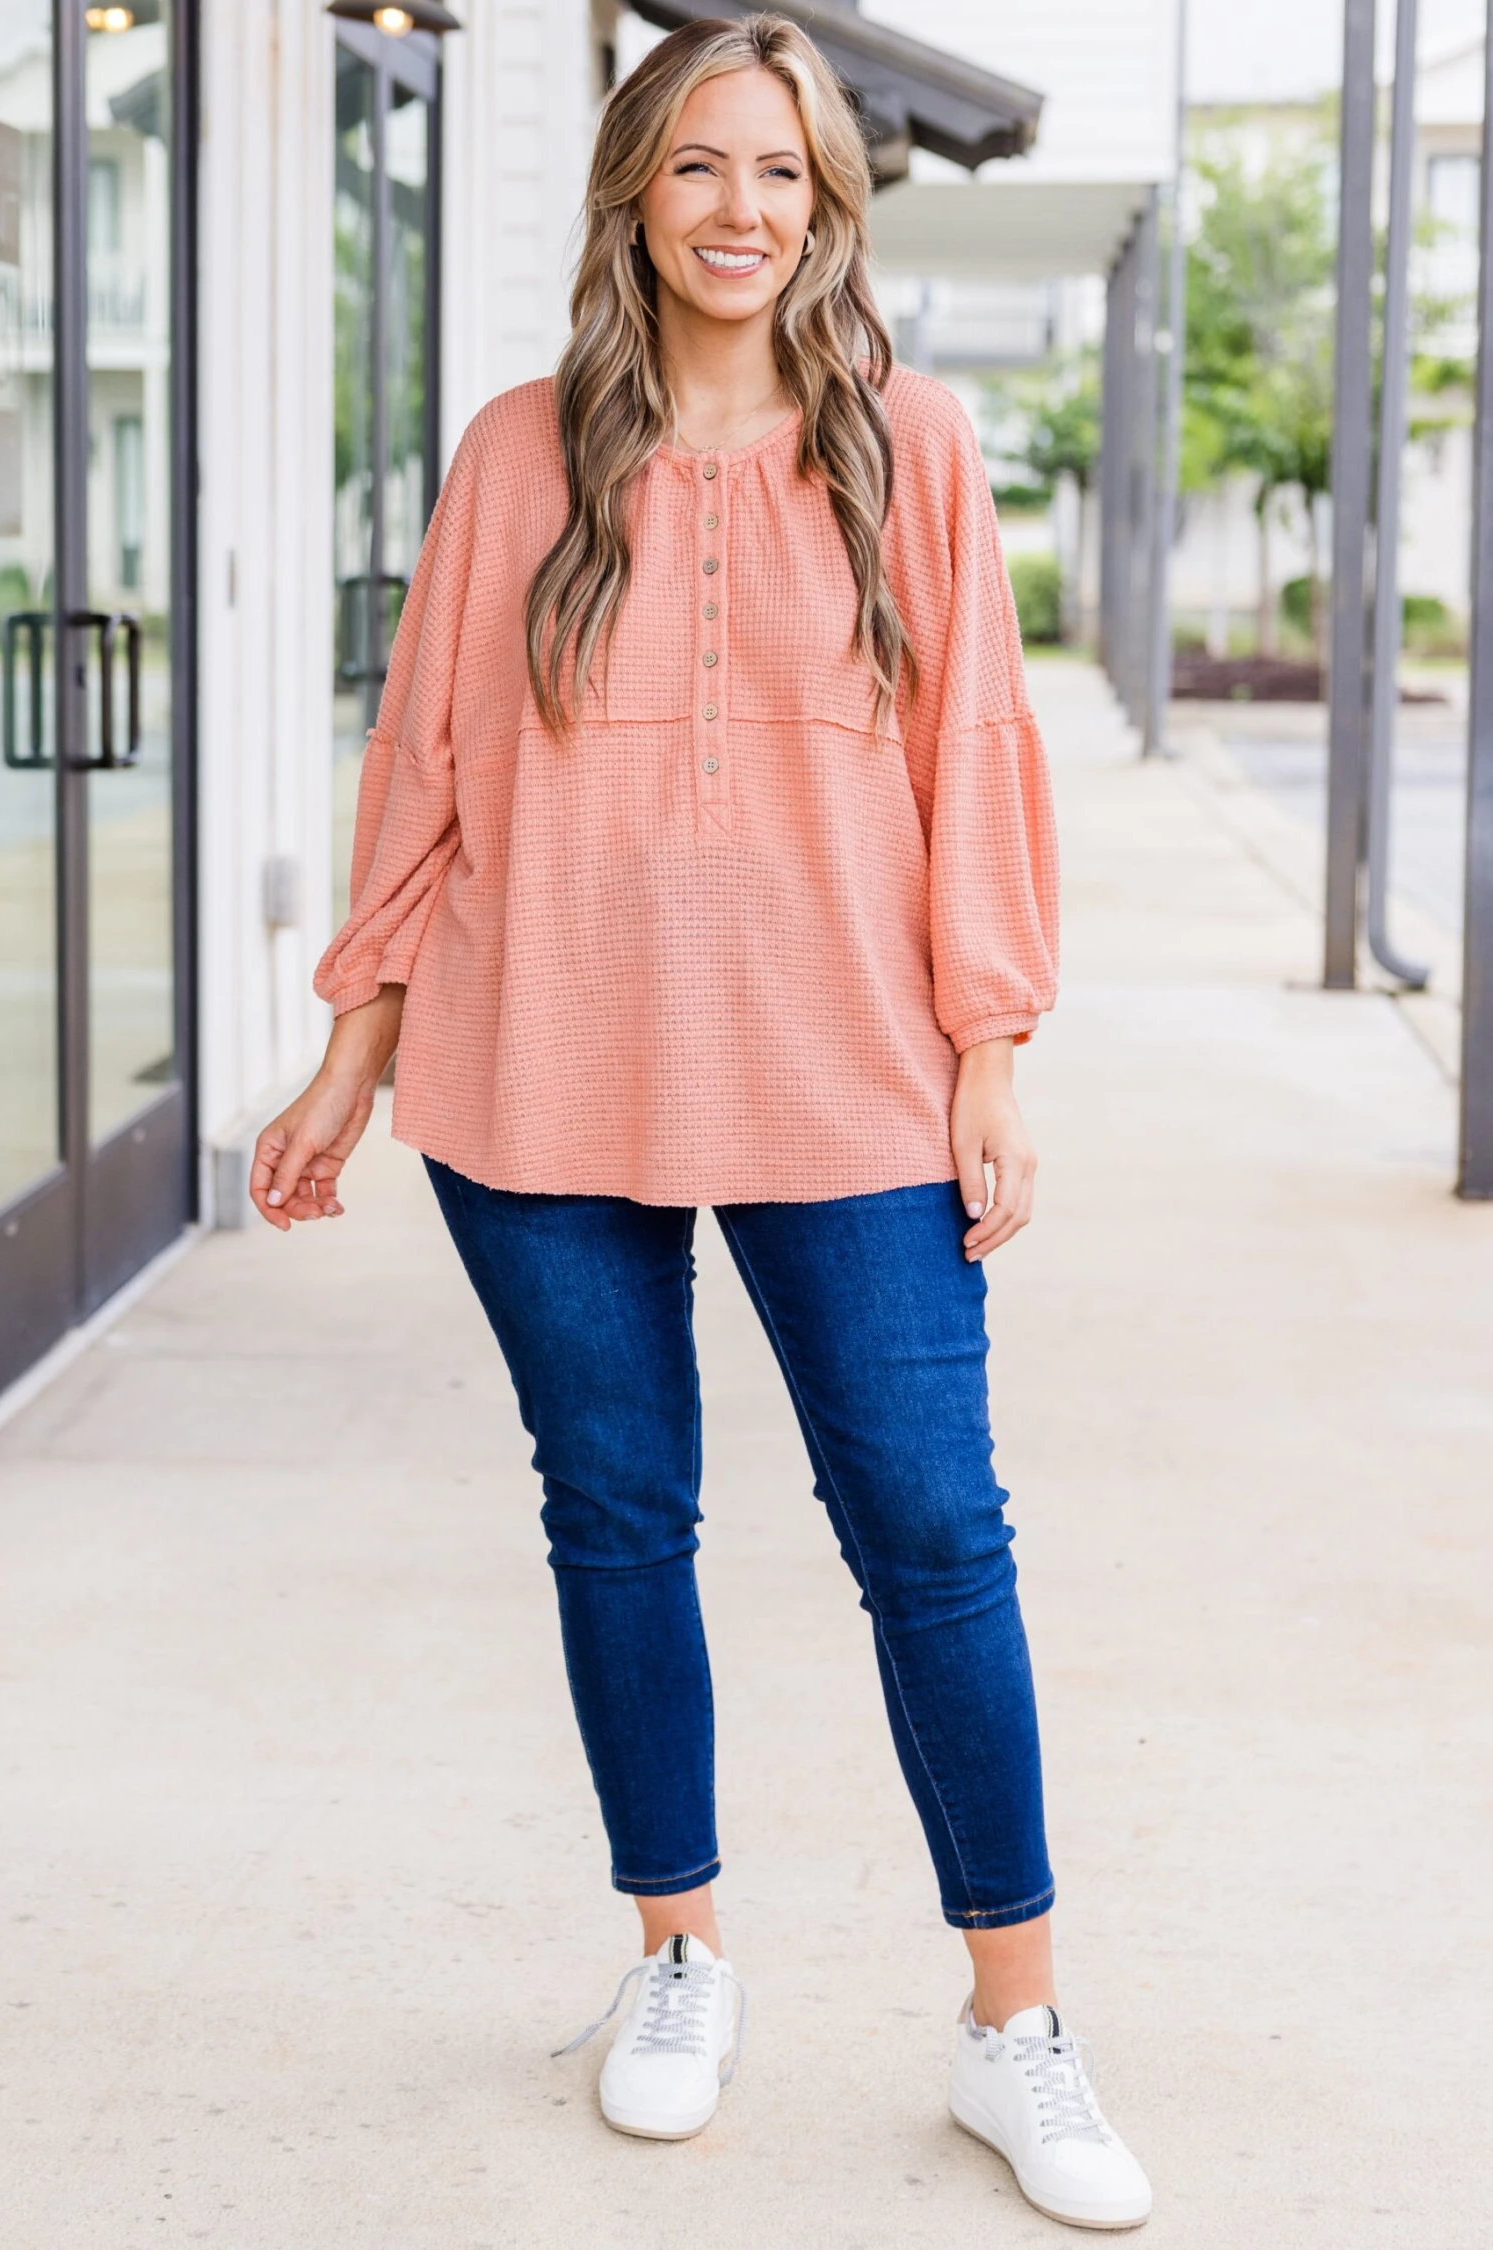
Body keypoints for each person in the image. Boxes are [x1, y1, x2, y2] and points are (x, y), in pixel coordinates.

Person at [251, 14, 1150, 2230]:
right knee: (617, 1513)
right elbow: (429, 760)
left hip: (849, 1079)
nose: (742, 210)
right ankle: (678, 1954)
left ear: (828, 205)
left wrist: (993, 1042)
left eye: (783, 173)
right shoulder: (518, 453)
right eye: (699, 168)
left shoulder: (909, 444)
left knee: (933, 1531)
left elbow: (974, 757)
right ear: (633, 198)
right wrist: (355, 1045)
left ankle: (1015, 2023)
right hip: (543, 1065)